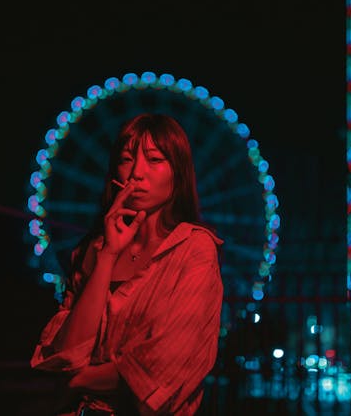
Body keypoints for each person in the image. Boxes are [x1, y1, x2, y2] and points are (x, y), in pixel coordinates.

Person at [31, 113, 224, 415]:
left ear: (179, 174)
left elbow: (165, 367)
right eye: (125, 159)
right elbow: (67, 353)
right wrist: (108, 255)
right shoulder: (91, 251)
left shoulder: (194, 250)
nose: (137, 172)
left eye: (155, 160)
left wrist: (80, 379)